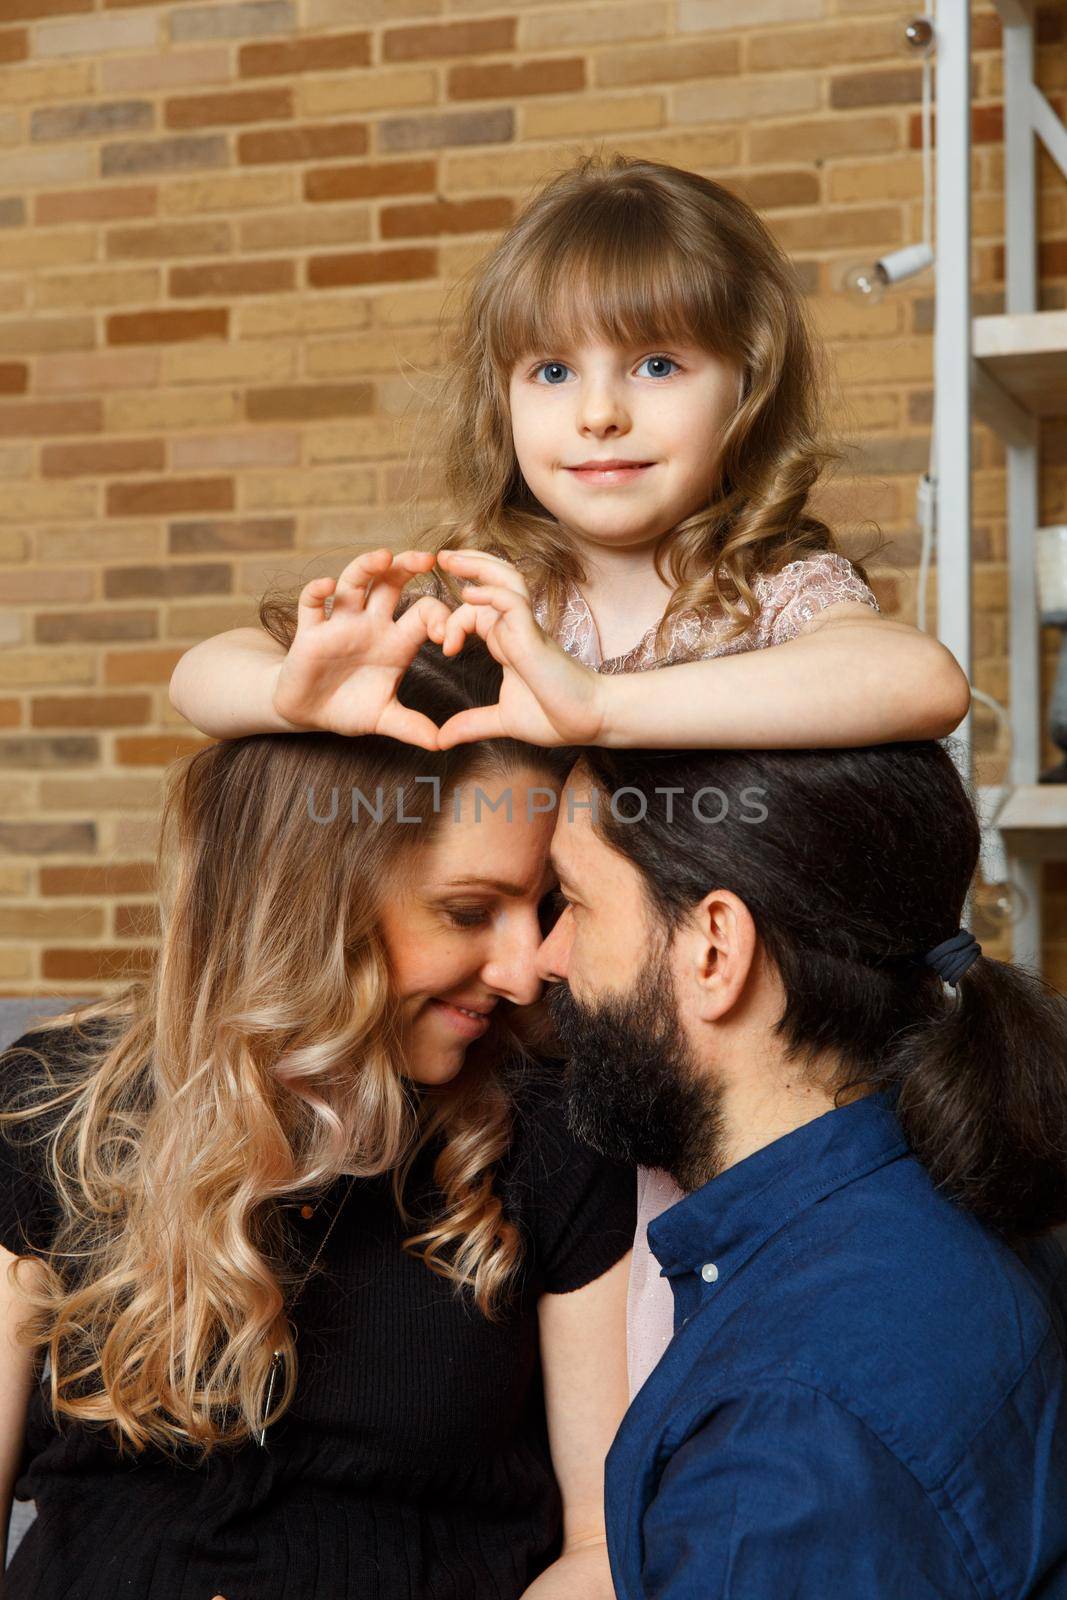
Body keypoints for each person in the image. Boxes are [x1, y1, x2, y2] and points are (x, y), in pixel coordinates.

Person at [167, 149, 972, 1397]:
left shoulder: (766, 587)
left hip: (740, 1072)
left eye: (655, 365)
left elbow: (919, 681)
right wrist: (296, 689)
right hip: (556, 1070)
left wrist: (603, 705)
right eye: (552, 372)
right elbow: (196, 673)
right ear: (502, 403)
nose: (598, 414)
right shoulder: (495, 593)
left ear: (744, 387)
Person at [0, 627, 635, 1600]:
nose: (521, 971)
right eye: (468, 911)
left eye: (545, 905)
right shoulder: (54, 1103)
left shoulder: (552, 1133)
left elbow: (601, 1548)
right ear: (315, 894)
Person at [533, 739, 1067, 1597]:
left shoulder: (780, 1437)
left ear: (713, 949)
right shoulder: (955, 1185)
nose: (544, 957)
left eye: (573, 904)